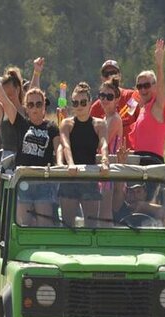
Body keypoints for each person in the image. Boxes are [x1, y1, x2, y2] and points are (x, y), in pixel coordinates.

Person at [0, 64, 60, 226]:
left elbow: (59, 148)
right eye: (31, 105)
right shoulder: (21, 124)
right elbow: (4, 100)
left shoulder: (51, 127)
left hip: (42, 181)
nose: (34, 108)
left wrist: (61, 164)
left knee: (44, 224)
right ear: (26, 107)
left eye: (38, 104)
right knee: (22, 224)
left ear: (44, 106)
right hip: (23, 180)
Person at [57, 82, 109, 228]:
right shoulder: (67, 124)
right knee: (68, 225)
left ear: (90, 103)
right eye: (75, 103)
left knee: (92, 225)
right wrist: (71, 164)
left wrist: (105, 160)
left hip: (90, 177)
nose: (79, 106)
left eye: (83, 102)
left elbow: (104, 143)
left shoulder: (99, 124)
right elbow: (65, 145)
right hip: (70, 177)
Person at [128, 39, 165, 164]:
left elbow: (162, 89)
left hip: (152, 164)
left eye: (146, 85)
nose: (142, 89)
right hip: (139, 163)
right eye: (139, 86)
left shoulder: (157, 107)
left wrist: (159, 65)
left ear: (155, 86)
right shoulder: (142, 109)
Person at [89, 59, 140, 150]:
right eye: (106, 74)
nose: (110, 76)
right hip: (107, 156)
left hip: (131, 153)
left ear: (119, 76)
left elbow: (141, 123)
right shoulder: (97, 106)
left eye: (113, 72)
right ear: (102, 78)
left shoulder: (131, 97)